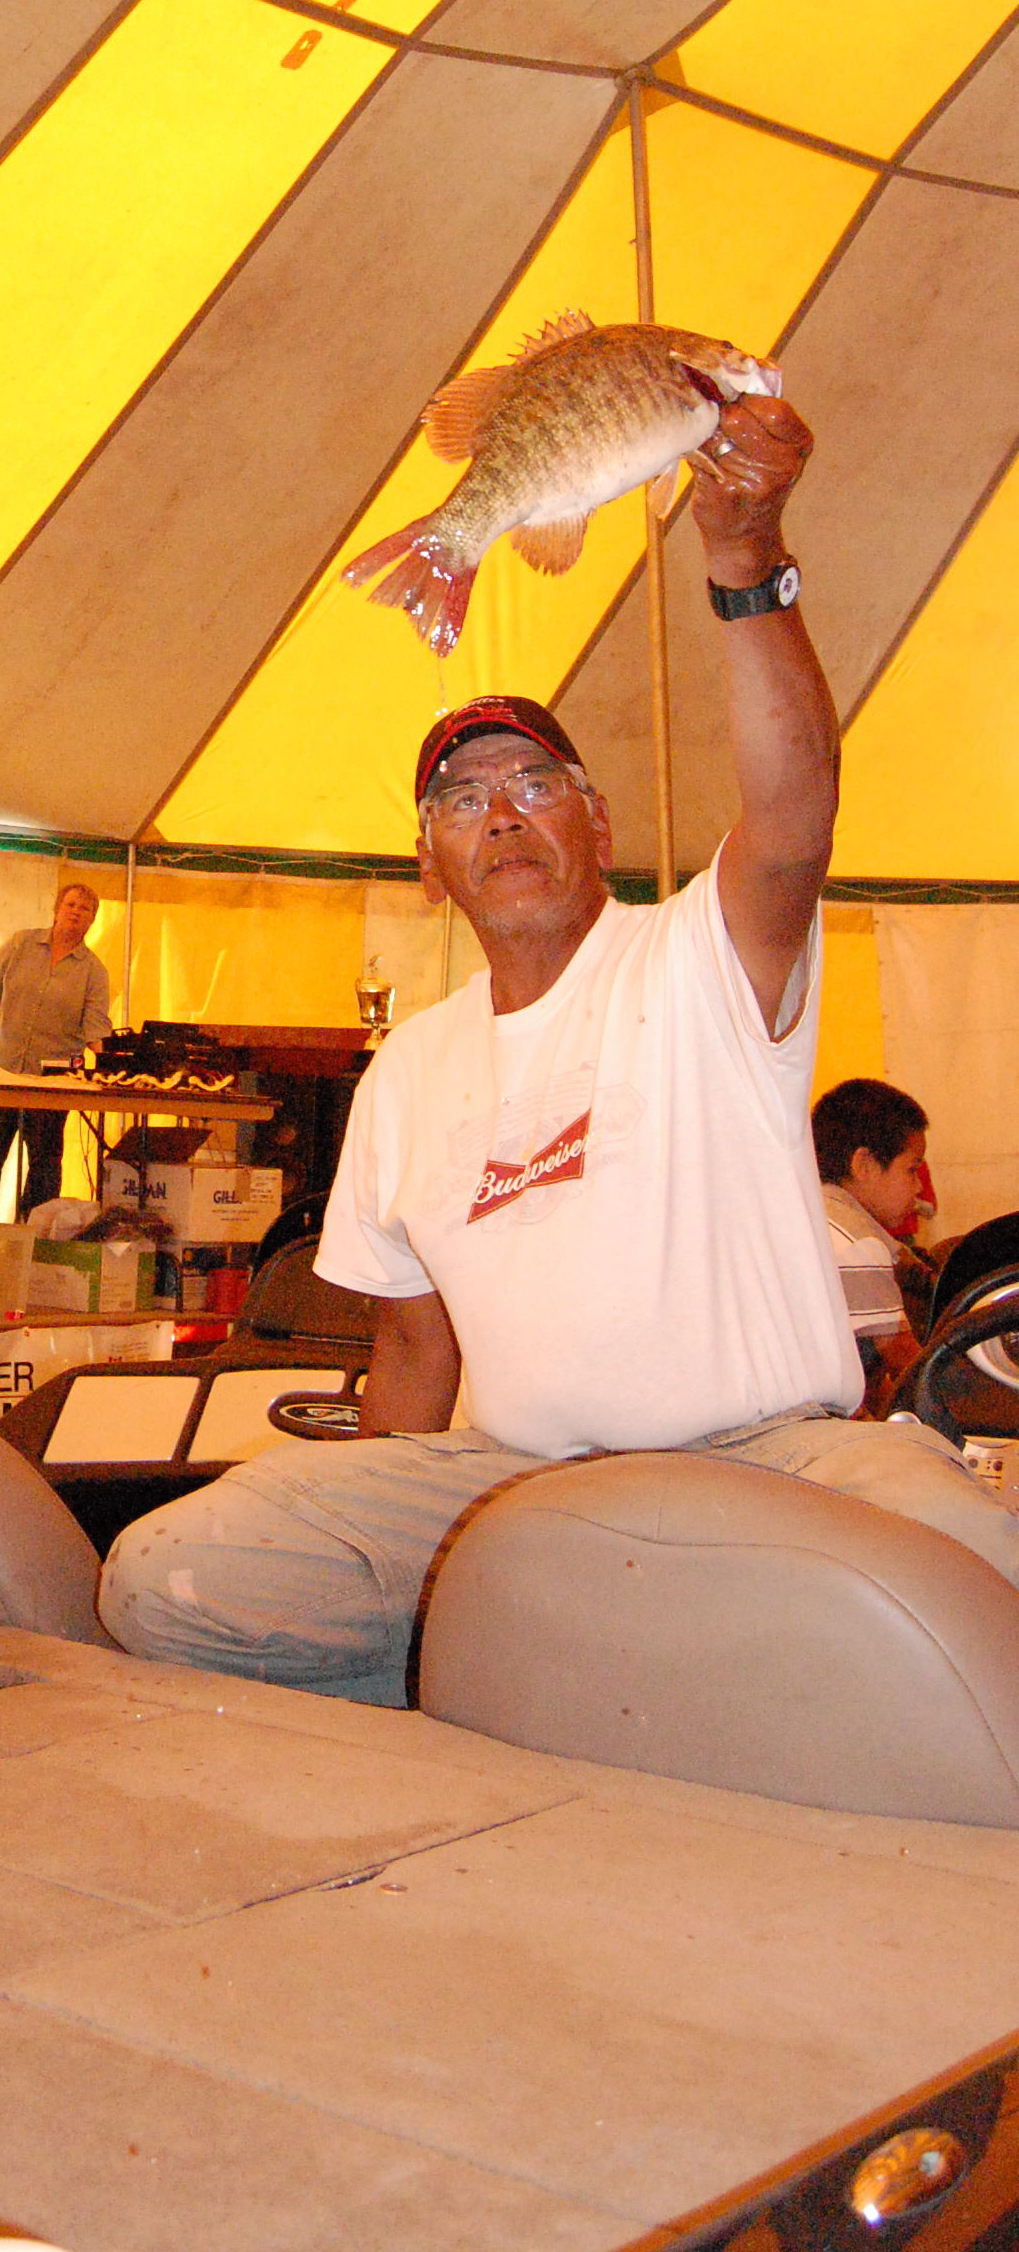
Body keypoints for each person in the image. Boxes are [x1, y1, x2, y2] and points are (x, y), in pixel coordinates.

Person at [102, 392, 1019, 1698]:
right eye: (462, 800)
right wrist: (390, 1550)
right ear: (430, 865)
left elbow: (795, 811)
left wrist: (744, 559)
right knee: (168, 1575)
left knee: (978, 1582)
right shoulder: (409, 1073)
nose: (500, 816)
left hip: (773, 1456)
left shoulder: (701, 955)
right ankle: (497, 1702)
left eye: (534, 785)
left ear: (597, 822)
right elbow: (411, 1354)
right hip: (510, 1484)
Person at [0, 882, 112, 1220]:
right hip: (1, 1071)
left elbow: (95, 1028)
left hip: (51, 1083)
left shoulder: (94, 971)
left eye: (85, 908)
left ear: (92, 920)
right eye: (71, 904)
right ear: (57, 909)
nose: (76, 912)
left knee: (45, 1164)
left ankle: (35, 1233)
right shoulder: (20, 944)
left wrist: (115, 1066)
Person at [811, 1076, 929, 1380]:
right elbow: (909, 1365)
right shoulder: (856, 1244)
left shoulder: (810, 1214)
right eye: (912, 1169)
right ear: (864, 1164)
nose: (918, 1187)